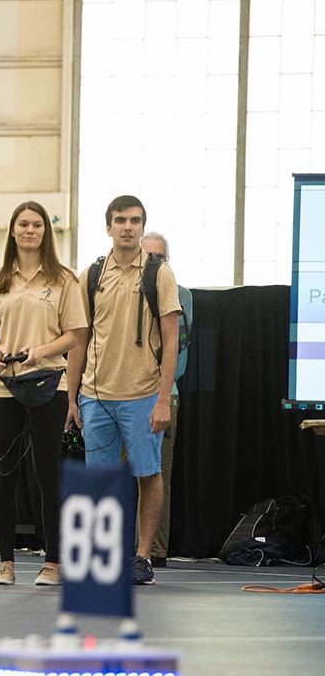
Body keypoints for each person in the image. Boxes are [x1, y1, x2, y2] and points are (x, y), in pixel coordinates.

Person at [0, 201, 88, 586]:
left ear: (45, 232)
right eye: (23, 224)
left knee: (47, 474)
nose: (29, 230)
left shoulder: (64, 280)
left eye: (37, 224)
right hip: (2, 386)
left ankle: (53, 561)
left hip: (50, 384)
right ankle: (5, 562)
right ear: (12, 230)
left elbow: (75, 335)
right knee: (4, 472)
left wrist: (43, 350)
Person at [67, 195, 181, 586]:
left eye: (135, 221)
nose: (127, 227)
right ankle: (105, 556)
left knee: (147, 474)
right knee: (99, 481)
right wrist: (71, 397)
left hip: (143, 394)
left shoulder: (159, 274)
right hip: (96, 396)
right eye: (120, 220)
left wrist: (163, 399)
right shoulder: (92, 275)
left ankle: (142, 557)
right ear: (108, 227)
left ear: (142, 226)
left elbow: (171, 339)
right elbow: (79, 339)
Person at [140, 231, 193, 568]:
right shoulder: (113, 288)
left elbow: (179, 355)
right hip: (115, 396)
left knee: (157, 475)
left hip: (161, 395)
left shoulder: (181, 295)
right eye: (149, 257)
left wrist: (160, 395)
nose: (154, 263)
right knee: (114, 476)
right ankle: (111, 549)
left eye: (160, 257)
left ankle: (152, 554)